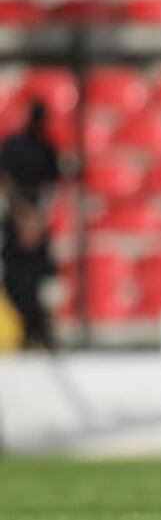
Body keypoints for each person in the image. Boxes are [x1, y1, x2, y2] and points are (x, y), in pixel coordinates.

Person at [0, 102, 60, 350]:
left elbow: (49, 188)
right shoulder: (33, 146)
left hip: (27, 219)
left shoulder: (43, 147)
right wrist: (31, 217)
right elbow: (7, 182)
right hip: (27, 220)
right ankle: (28, 330)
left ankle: (36, 332)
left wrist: (29, 217)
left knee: (35, 281)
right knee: (18, 281)